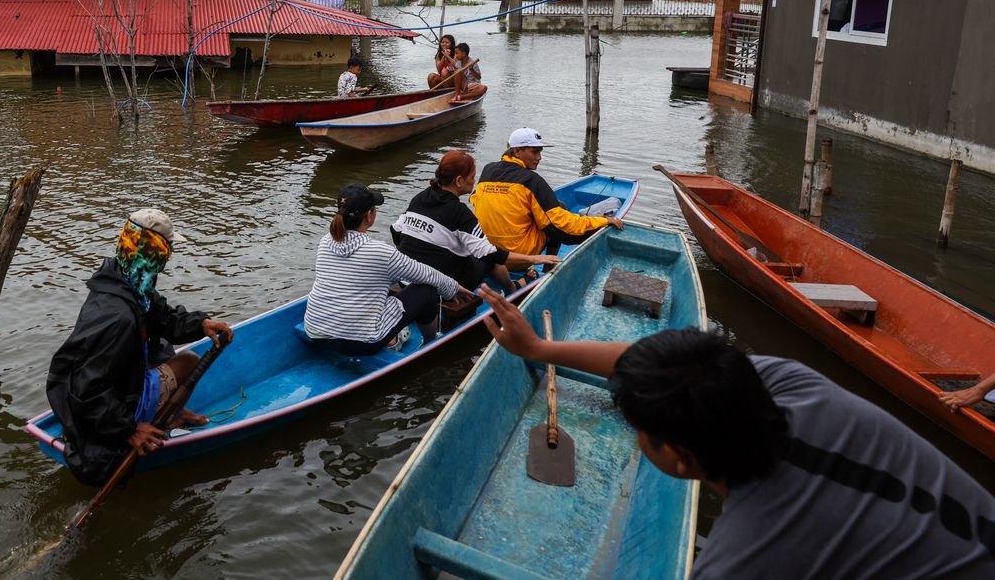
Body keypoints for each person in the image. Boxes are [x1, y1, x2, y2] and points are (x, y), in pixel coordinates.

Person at [478, 288, 995, 579]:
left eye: (636, 429)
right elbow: (642, 362)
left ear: (678, 458)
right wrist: (541, 351)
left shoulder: (743, 559)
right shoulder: (789, 382)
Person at [46, 208, 234, 486]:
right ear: (156, 253)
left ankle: (171, 411)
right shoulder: (118, 318)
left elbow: (164, 318)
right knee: (189, 362)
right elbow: (88, 387)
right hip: (108, 407)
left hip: (113, 386)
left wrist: (200, 324)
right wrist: (129, 430)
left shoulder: (125, 282)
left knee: (163, 349)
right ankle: (165, 418)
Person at [303, 182, 470, 355]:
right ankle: (430, 340)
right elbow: (426, 275)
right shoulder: (380, 251)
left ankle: (392, 339)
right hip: (360, 343)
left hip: (316, 332)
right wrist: (454, 288)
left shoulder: (325, 241)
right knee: (426, 290)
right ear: (369, 215)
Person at [391, 150, 559, 292]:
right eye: (472, 176)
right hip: (440, 286)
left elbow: (396, 231)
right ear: (459, 180)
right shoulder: (460, 213)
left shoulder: (419, 198)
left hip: (406, 278)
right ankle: (512, 288)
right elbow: (490, 253)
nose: (474, 180)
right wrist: (534, 259)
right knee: (488, 259)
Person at [472, 127, 622, 257]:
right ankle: (550, 265)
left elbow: (474, 200)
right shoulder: (531, 180)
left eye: (540, 152)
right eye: (534, 152)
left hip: (486, 250)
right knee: (559, 211)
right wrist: (603, 221)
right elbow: (562, 223)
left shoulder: (488, 170)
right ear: (517, 151)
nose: (539, 158)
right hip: (518, 254)